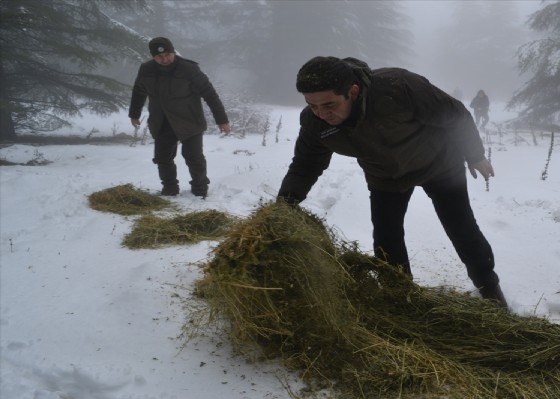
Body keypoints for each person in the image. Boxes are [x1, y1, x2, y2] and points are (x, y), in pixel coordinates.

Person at [277, 56, 508, 308]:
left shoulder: (399, 88)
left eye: (329, 104)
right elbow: (305, 163)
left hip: (439, 165)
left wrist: (475, 155)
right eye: (312, 105)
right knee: (386, 238)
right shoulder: (315, 123)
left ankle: (490, 290)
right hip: (385, 175)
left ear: (352, 91)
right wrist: (285, 203)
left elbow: (457, 115)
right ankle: (399, 296)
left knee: (461, 228)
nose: (322, 113)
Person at [129, 37, 230, 198]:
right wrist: (134, 114)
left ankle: (200, 189)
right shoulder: (146, 69)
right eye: (159, 57)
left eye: (168, 55)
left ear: (173, 52)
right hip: (162, 122)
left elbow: (209, 94)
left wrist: (222, 120)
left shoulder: (189, 69)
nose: (164, 59)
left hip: (190, 121)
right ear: (153, 56)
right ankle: (169, 189)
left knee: (194, 157)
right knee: (162, 158)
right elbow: (139, 91)